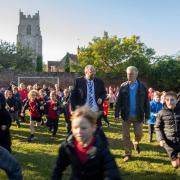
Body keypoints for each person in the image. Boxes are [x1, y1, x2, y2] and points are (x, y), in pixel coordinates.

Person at [52, 106, 121, 180]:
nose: (79, 131)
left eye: (83, 128)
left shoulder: (101, 148)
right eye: (75, 127)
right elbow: (57, 168)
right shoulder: (68, 147)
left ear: (93, 128)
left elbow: (112, 173)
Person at [115, 66, 150, 162]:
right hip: (125, 115)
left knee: (139, 134)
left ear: (136, 74)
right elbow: (118, 101)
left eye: (131, 74)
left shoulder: (143, 87)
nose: (129, 76)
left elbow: (146, 102)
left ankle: (135, 142)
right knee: (125, 135)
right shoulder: (123, 86)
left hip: (138, 115)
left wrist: (147, 116)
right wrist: (116, 114)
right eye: (127, 74)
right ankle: (128, 154)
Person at [155, 91, 180, 169]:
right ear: (165, 101)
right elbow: (158, 127)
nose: (170, 102)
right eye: (167, 100)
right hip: (169, 143)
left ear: (176, 100)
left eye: (172, 100)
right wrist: (161, 139)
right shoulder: (161, 113)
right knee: (175, 165)